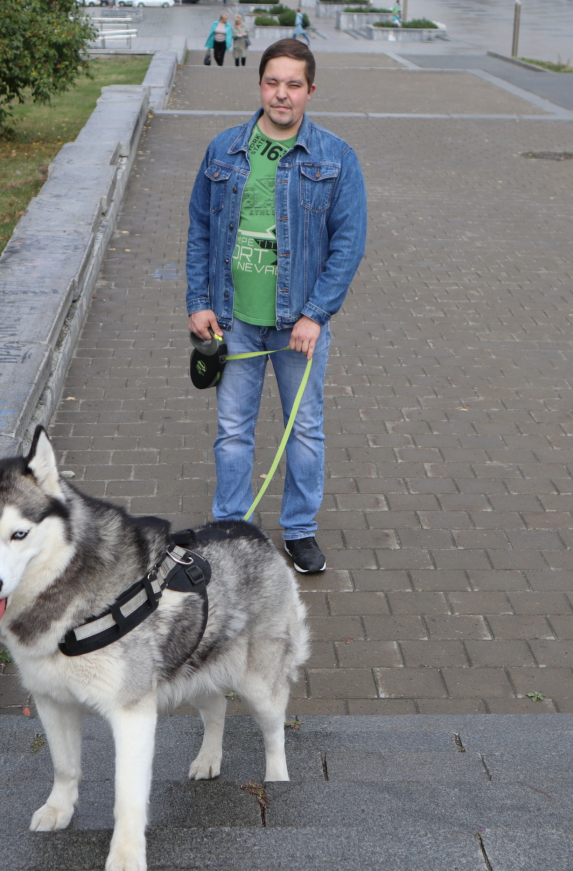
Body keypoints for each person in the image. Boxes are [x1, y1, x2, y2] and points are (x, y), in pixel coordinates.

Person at [185, 40, 368, 575]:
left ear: (311, 90)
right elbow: (199, 227)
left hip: (299, 328)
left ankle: (300, 531)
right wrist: (199, 303)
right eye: (272, 82)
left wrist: (316, 314)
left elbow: (347, 245)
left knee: (305, 429)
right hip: (233, 319)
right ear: (260, 84)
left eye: (293, 84)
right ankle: (231, 529)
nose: (281, 94)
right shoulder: (224, 149)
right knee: (233, 430)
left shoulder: (336, 157)